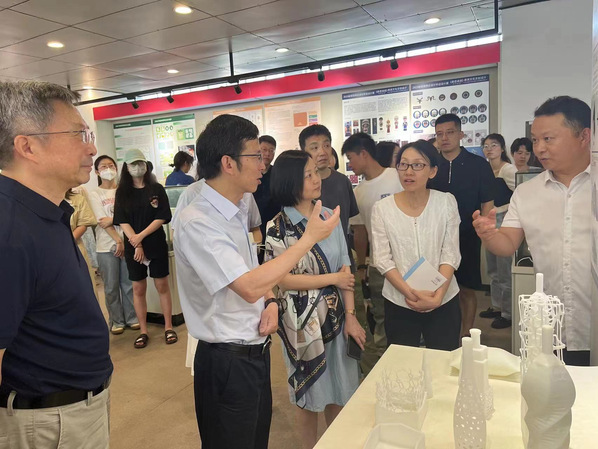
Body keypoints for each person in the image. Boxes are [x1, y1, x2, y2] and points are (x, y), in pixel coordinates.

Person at [173, 114, 341, 449]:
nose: (263, 165)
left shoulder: (236, 208)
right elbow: (248, 285)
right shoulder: (198, 220)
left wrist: (271, 301)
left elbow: (253, 272)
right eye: (255, 156)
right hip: (226, 360)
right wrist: (308, 238)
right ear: (228, 163)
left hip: (254, 350)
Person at [0, 81, 112, 448]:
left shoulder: (43, 211)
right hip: (48, 423)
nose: (91, 148)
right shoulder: (9, 229)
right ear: (27, 146)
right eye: (79, 135)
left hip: (73, 411)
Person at [473, 96, 592, 366]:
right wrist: (490, 235)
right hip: (555, 327)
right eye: (535, 140)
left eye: (548, 139)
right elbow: (508, 244)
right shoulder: (527, 192)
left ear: (584, 136)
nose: (539, 148)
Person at [265, 150, 365, 449]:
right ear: (290, 182)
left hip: (337, 318)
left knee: (340, 390)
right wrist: (331, 279)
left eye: (315, 172)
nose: (315, 179)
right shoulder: (277, 227)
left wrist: (351, 316)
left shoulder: (328, 216)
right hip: (301, 325)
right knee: (308, 396)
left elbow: (345, 268)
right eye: (307, 175)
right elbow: (282, 279)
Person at [371, 140, 462, 350]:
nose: (409, 172)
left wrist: (438, 297)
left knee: (443, 359)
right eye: (403, 164)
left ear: (432, 171)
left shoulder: (446, 202)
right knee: (403, 362)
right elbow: (382, 259)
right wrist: (410, 293)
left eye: (418, 165)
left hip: (443, 297)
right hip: (399, 300)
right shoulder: (382, 208)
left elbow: (450, 254)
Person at [341, 133, 403, 375]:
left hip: (408, 260)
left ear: (364, 154)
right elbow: (360, 232)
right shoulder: (358, 192)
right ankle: (386, 368)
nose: (350, 164)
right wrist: (362, 266)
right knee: (382, 315)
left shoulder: (397, 177)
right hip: (379, 265)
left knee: (409, 312)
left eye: (351, 158)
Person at [430, 113, 494, 337]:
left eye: (449, 132)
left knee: (466, 288)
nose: (444, 138)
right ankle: (441, 332)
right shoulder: (431, 166)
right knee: (437, 284)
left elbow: (487, 201)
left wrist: (483, 230)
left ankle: (466, 334)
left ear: (460, 134)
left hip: (467, 235)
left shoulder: (478, 165)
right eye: (439, 134)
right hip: (435, 236)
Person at [113, 148, 177, 349]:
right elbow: (122, 220)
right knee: (138, 288)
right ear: (126, 167)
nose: (137, 167)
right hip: (134, 247)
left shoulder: (156, 189)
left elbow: (162, 217)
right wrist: (137, 243)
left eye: (140, 163)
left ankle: (168, 326)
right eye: (133, 164)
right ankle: (143, 330)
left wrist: (141, 237)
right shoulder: (122, 192)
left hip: (155, 243)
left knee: (162, 285)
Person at [89, 155, 138, 334]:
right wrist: (118, 239)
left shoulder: (124, 191)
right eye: (103, 166)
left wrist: (114, 221)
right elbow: (102, 221)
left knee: (128, 284)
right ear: (97, 171)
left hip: (128, 242)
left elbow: (131, 216)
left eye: (111, 165)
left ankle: (132, 318)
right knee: (110, 287)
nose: (108, 169)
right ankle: (116, 321)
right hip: (106, 246)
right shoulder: (95, 193)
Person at [299, 124, 359, 263]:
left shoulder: (343, 181)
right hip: (312, 262)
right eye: (314, 148)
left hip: (343, 260)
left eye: (326, 145)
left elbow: (349, 222)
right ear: (303, 152)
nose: (322, 152)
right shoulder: (299, 186)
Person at [479, 134, 517, 329]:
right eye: (486, 146)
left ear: (502, 148)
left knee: (504, 270)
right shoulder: (485, 169)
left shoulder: (508, 169)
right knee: (492, 269)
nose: (489, 149)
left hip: (504, 218)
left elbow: (520, 194)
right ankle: (496, 306)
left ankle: (508, 314)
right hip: (490, 219)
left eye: (494, 145)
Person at [65, 187, 99, 301]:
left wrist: (65, 241)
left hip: (75, 246)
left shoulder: (77, 199)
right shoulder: (41, 198)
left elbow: (84, 223)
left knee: (83, 288)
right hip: (49, 251)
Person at [253, 135, 280, 262]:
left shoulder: (278, 173)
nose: (268, 154)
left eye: (271, 150)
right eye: (264, 150)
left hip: (274, 223)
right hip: (254, 224)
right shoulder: (251, 172)